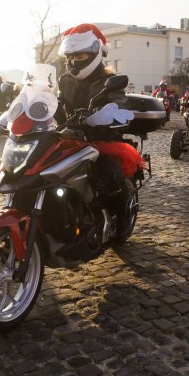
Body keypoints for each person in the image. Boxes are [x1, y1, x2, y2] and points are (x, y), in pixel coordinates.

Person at [56, 23, 144, 239]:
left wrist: (103, 114)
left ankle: (123, 216)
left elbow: (120, 103)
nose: (74, 61)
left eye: (81, 55)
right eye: (70, 56)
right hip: (69, 137)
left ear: (96, 52)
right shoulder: (64, 80)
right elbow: (55, 103)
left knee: (110, 173)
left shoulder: (108, 79)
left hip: (102, 139)